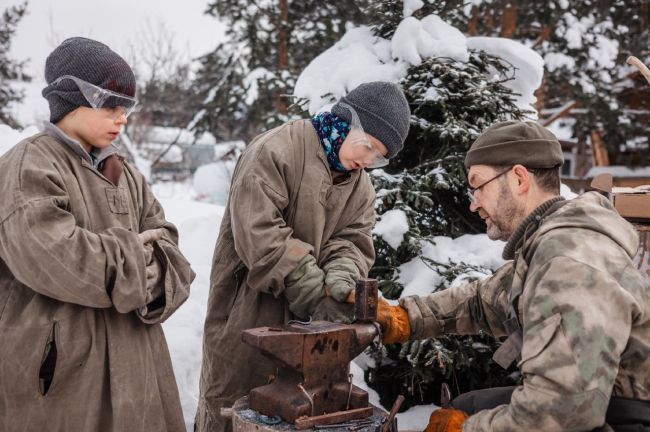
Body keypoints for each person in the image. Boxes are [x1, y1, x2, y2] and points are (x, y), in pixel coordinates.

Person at [374, 120, 650, 431]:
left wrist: (466, 430)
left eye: (478, 185)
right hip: (600, 401)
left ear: (519, 179)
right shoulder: (550, 241)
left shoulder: (568, 260)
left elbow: (564, 411)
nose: (473, 203)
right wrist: (405, 317)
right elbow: (483, 300)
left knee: (465, 416)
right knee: (467, 406)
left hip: (621, 417)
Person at [0, 37, 195, 431]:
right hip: (64, 377)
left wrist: (158, 267)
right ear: (69, 100)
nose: (122, 118)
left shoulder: (128, 176)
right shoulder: (29, 165)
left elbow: (172, 252)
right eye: (110, 106)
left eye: (127, 108)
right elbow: (54, 258)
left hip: (138, 373)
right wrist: (142, 265)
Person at [195, 81, 411, 431]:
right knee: (234, 410)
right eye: (368, 146)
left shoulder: (361, 186)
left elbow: (351, 241)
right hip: (247, 313)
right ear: (347, 120)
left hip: (315, 332)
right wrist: (314, 290)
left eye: (379, 157)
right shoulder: (276, 150)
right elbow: (260, 232)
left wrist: (341, 282)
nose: (368, 161)